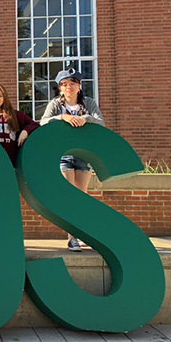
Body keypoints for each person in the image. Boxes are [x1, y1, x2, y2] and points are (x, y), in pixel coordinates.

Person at [40, 68, 105, 252]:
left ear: (79, 85)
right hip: (64, 155)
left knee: (81, 196)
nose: (69, 87)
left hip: (84, 154)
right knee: (69, 196)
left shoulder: (89, 103)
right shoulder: (55, 104)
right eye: (64, 84)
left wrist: (85, 118)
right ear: (60, 88)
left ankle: (82, 233)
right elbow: (43, 122)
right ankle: (71, 237)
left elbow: (101, 122)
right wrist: (62, 117)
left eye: (72, 83)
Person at [0, 83, 39, 166]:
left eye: (0, 96)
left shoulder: (15, 115)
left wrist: (25, 131)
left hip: (12, 164)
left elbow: (35, 125)